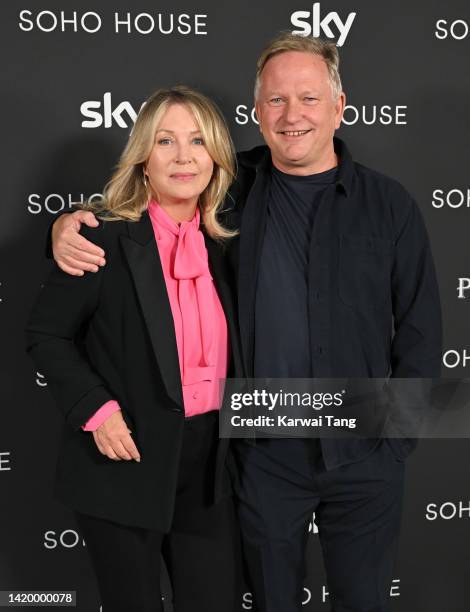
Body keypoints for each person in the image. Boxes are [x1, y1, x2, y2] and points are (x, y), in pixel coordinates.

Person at [47, 34, 443, 612]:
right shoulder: (228, 190)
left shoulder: (389, 204)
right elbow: (144, 213)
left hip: (364, 456)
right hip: (261, 456)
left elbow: (420, 328)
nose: (292, 115)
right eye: (276, 101)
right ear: (257, 112)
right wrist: (63, 227)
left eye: (308, 99)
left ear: (339, 106)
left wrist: (396, 440)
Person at [25, 85, 243, 612]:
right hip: (123, 464)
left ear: (216, 156)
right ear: (143, 157)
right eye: (165, 141)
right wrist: (95, 410)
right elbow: (46, 334)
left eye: (197, 141)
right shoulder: (103, 238)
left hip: (208, 467)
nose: (183, 156)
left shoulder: (227, 244)